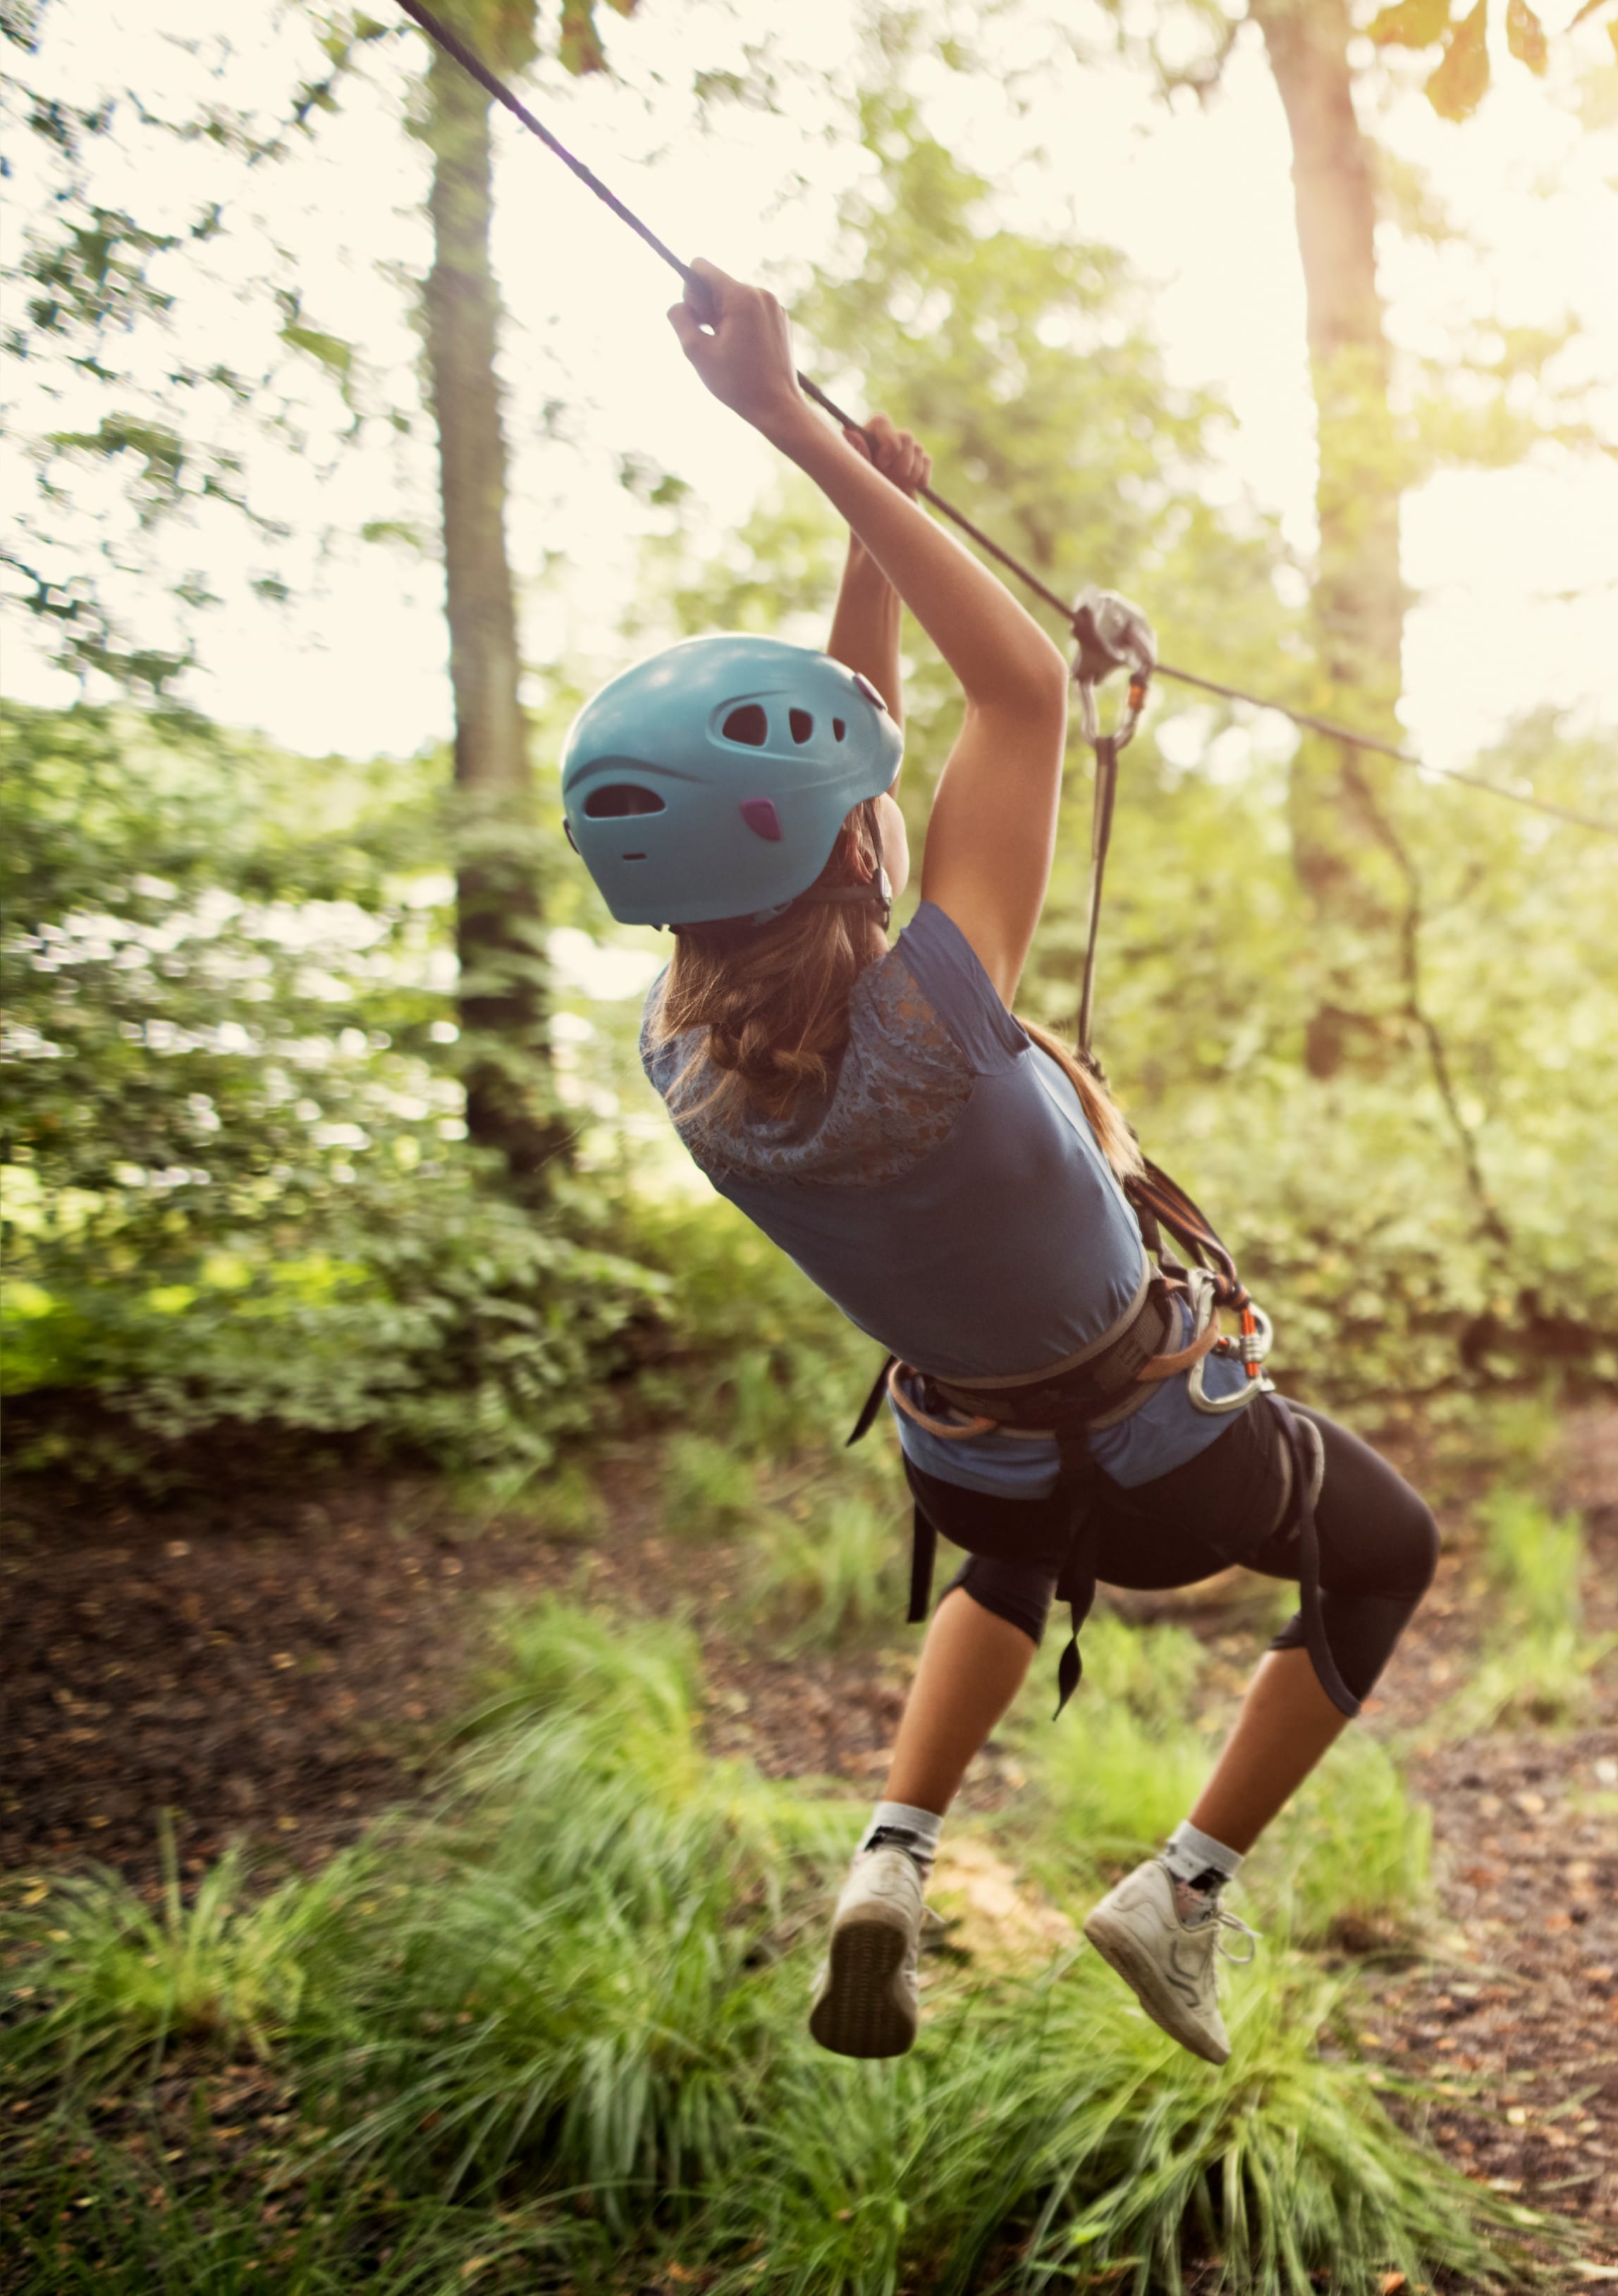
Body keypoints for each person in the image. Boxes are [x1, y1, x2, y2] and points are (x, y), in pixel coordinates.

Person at [556, 263, 1439, 2065]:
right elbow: (1018, 692)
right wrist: (792, 428)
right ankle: (1180, 1893)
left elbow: (847, 804)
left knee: (1008, 1560)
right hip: (1166, 1440)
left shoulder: (690, 1059)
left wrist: (869, 550)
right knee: (1385, 1553)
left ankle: (892, 1854)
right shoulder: (929, 1021)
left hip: (969, 1452)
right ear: (846, 858)